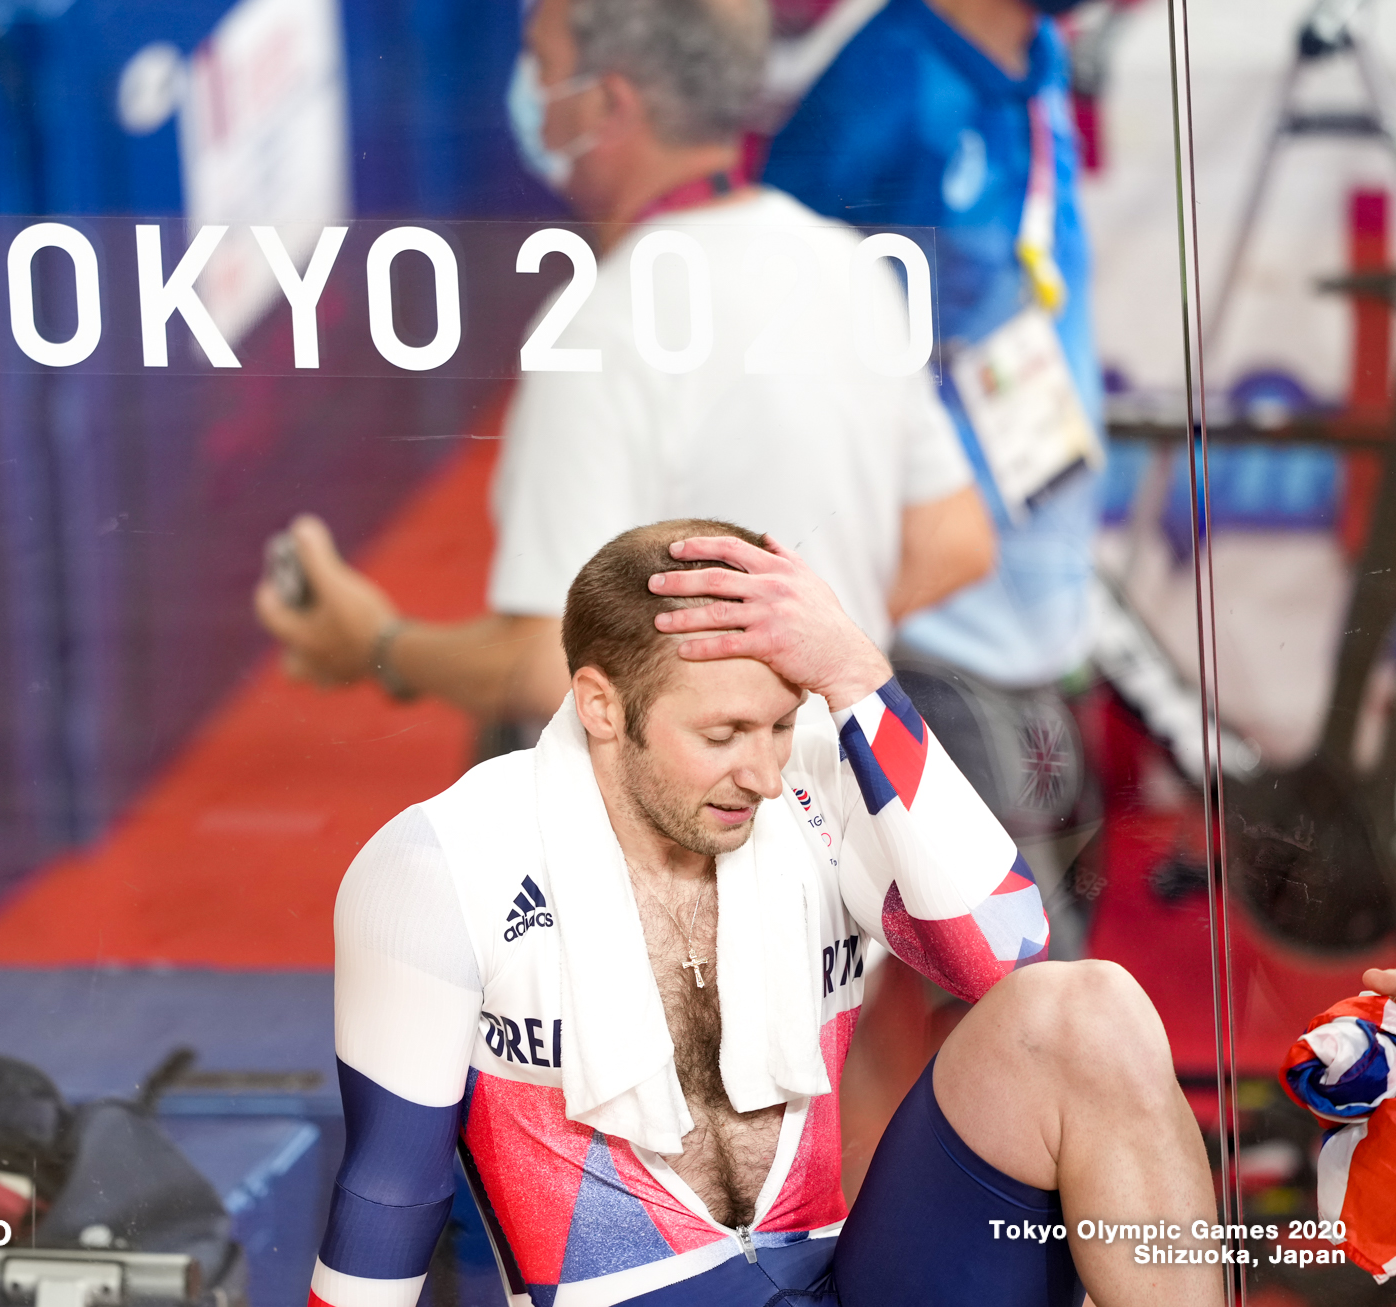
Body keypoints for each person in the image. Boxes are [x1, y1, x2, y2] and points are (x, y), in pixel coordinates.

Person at [311, 518, 1219, 1307]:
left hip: (833, 1273)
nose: (766, 772)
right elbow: (390, 1197)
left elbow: (1009, 957)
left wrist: (859, 678)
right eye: (721, 736)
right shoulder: (443, 859)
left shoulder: (815, 777)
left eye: (780, 724)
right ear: (599, 705)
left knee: (1088, 1012)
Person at [257, 0, 994, 736]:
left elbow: (549, 665)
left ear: (608, 103)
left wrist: (379, 647)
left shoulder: (601, 327)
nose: (525, 89)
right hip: (839, 785)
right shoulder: (844, 264)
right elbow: (954, 538)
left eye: (541, 63)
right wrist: (791, 658)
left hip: (694, 826)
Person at [762, 0, 1107, 918]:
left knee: (953, 981)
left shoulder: (1035, 59)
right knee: (1025, 994)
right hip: (941, 638)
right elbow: (772, 317)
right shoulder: (888, 87)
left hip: (1041, 616)